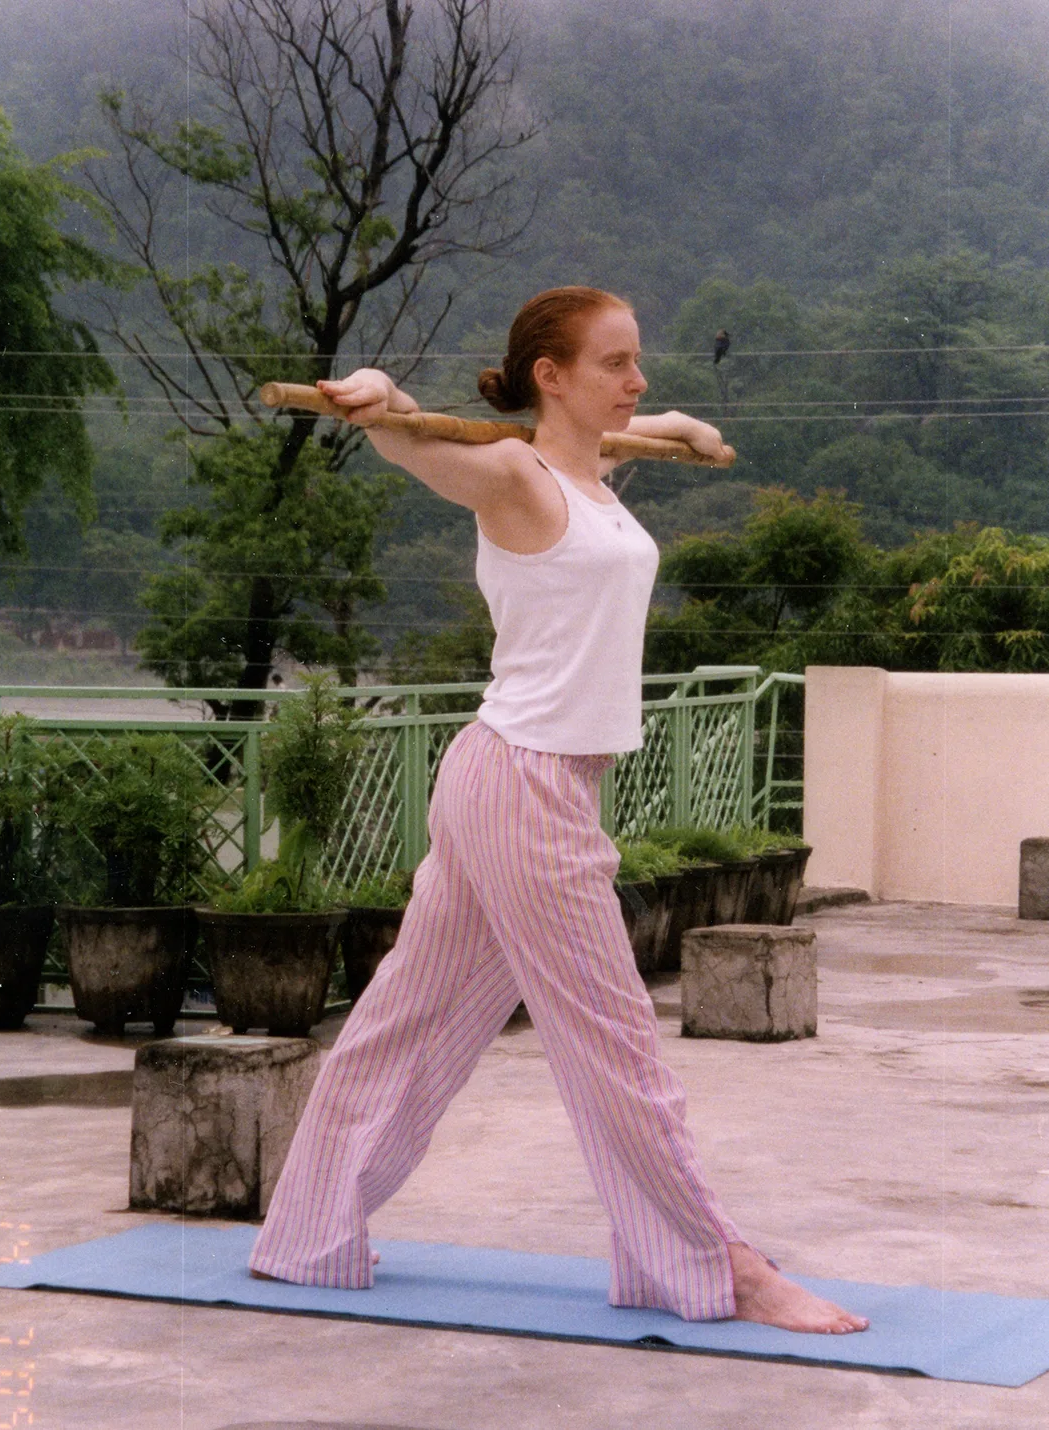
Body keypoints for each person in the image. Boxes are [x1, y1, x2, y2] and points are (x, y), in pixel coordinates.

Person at [248, 286, 869, 1335]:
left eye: (637, 363)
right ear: (552, 375)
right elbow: (406, 437)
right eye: (617, 363)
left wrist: (684, 431)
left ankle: (308, 1229)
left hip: (520, 780)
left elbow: (650, 429)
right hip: (523, 781)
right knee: (615, 1037)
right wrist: (376, 396)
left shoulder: (599, 468)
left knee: (410, 1014)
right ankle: (720, 1264)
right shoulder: (512, 474)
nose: (638, 380)